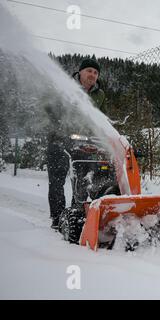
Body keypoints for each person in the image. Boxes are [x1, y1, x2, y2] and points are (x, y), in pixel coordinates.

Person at [47, 58, 105, 229]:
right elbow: (53, 110)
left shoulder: (100, 94)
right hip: (59, 139)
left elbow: (101, 119)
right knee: (57, 180)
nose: (92, 75)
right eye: (89, 71)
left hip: (82, 142)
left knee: (82, 180)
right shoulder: (66, 88)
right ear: (80, 72)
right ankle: (58, 219)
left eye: (95, 73)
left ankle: (76, 214)